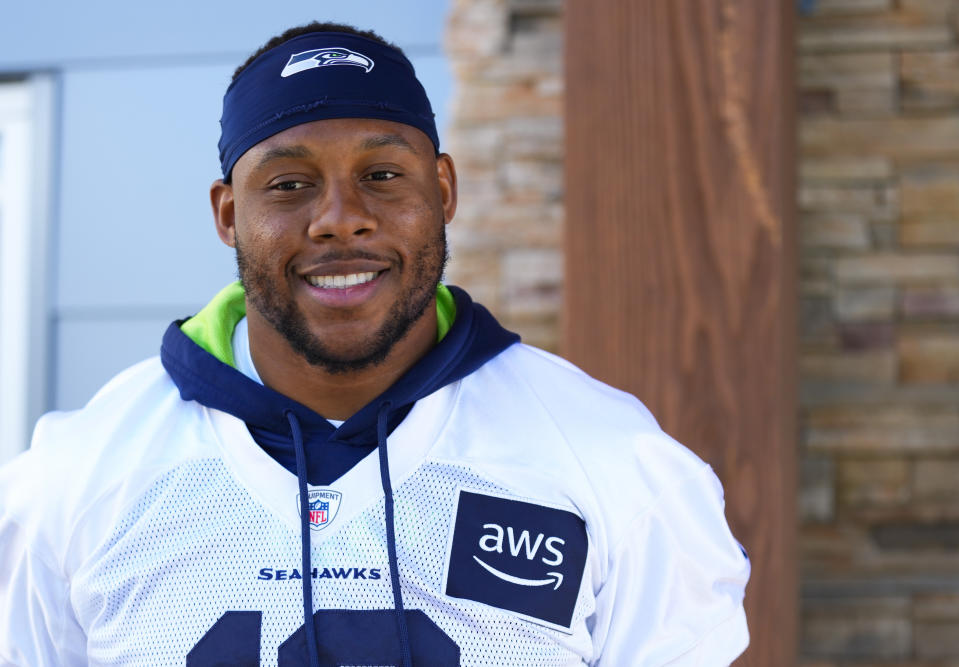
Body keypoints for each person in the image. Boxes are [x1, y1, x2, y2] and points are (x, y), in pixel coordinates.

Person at [0, 21, 750, 666]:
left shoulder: (616, 464)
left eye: (383, 175)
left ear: (444, 191)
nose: (340, 218)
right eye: (288, 184)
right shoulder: (75, 481)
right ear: (228, 214)